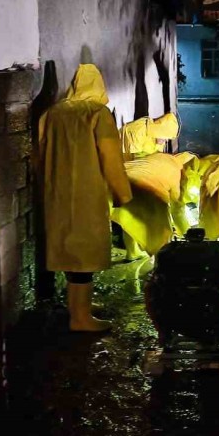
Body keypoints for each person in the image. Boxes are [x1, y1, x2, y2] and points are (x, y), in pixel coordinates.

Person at [36, 64, 132, 332]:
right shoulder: (97, 114)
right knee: (82, 257)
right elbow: (110, 157)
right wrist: (122, 192)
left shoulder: (51, 113)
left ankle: (78, 309)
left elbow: (39, 153)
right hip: (86, 194)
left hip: (57, 192)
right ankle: (80, 318)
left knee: (68, 251)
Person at [110, 152, 186, 260]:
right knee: (161, 228)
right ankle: (161, 259)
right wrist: (187, 233)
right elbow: (177, 209)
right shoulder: (178, 171)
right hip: (145, 187)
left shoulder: (156, 158)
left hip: (115, 182)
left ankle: (132, 252)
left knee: (129, 215)